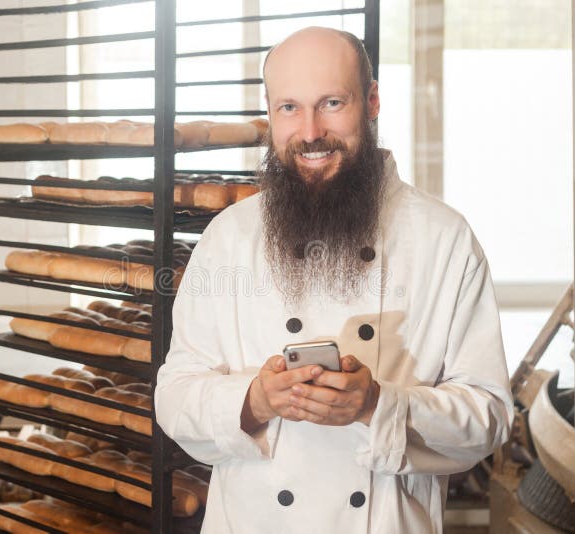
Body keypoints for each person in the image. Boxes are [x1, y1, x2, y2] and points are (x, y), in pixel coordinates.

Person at [154, 26, 513, 534]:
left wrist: (376, 406)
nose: (310, 131)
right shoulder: (228, 238)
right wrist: (254, 400)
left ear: (371, 102)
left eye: (331, 102)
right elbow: (173, 395)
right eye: (289, 108)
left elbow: (490, 416)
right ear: (269, 112)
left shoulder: (444, 239)